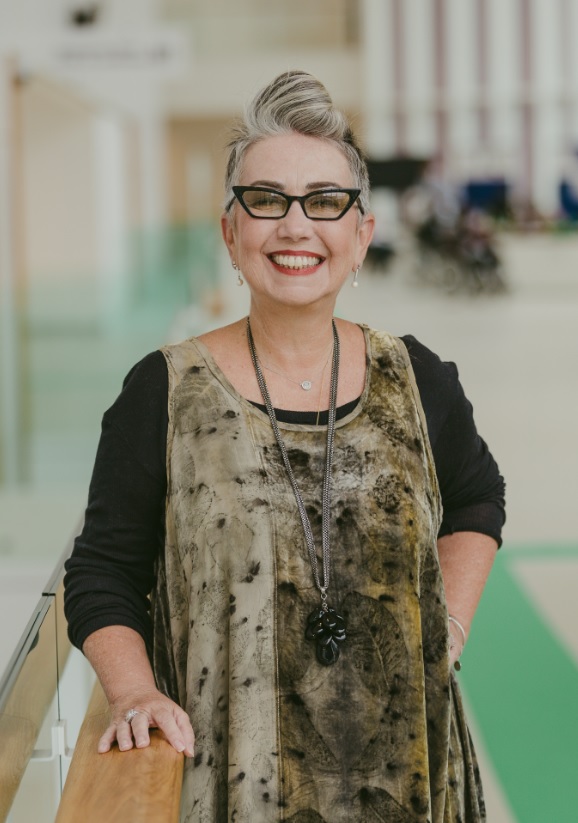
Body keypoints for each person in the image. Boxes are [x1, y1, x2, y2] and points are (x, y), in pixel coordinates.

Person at [64, 70, 505, 822]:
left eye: (326, 202)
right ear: (231, 231)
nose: (295, 227)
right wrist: (134, 691)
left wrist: (448, 630)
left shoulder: (419, 378)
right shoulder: (164, 393)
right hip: (235, 781)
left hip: (412, 779)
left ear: (361, 234)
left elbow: (476, 500)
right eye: (266, 200)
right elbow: (102, 567)